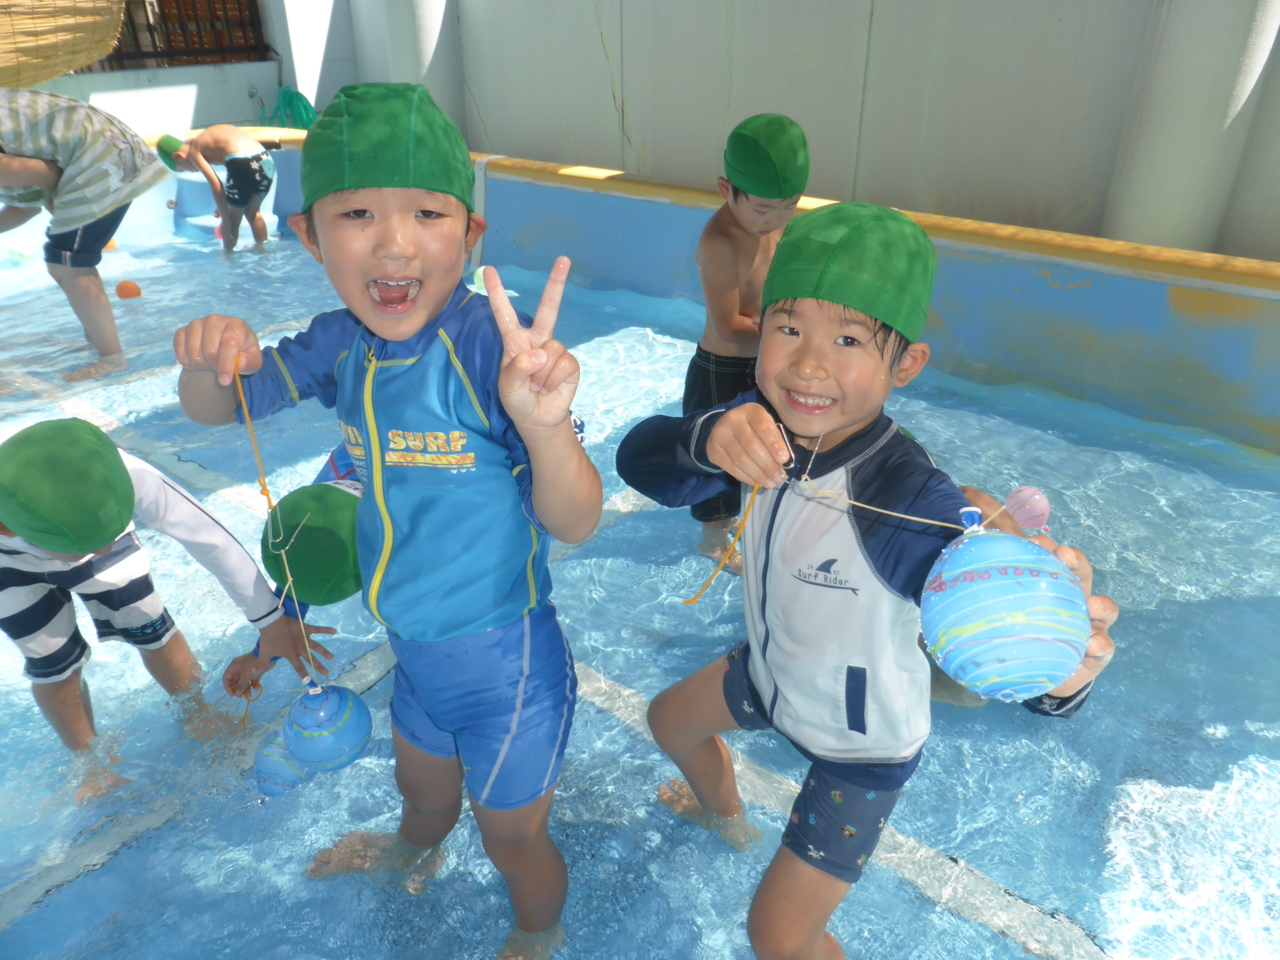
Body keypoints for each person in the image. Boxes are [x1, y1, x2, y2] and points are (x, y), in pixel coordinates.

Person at [616, 203, 1119, 960]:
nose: (808, 365)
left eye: (848, 340)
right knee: (669, 721)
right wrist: (706, 438)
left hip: (860, 746)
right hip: (772, 675)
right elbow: (640, 464)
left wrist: (1063, 672)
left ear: (905, 365)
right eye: (789, 328)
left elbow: (1000, 642)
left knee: (778, 936)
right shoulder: (761, 426)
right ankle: (725, 815)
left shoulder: (908, 500)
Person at [171, 83, 602, 960]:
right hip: (416, 656)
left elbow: (577, 520)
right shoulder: (342, 344)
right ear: (309, 236)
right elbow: (224, 407)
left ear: (470, 235)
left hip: (509, 666)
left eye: (427, 214)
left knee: (512, 840)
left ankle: (539, 933)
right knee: (424, 798)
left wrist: (547, 428)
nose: (395, 242)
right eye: (358, 213)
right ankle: (412, 851)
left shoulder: (490, 351)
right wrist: (208, 359)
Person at [0, 418, 331, 802]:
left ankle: (196, 711)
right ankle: (90, 761)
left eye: (111, 533)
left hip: (70, 517)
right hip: (8, 566)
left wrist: (271, 621)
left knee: (151, 627)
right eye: (92, 544)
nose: (107, 548)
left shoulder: (115, 471)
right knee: (51, 661)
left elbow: (209, 537)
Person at [688, 113, 809, 573]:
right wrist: (789, 339)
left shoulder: (775, 225)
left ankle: (763, 526)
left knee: (772, 452)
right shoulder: (719, 240)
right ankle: (713, 539)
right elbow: (726, 327)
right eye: (761, 209)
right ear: (726, 189)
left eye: (789, 206)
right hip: (723, 370)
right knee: (719, 463)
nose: (774, 220)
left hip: (766, 362)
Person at [0, 89, 168, 382]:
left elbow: (49, 178)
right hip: (108, 146)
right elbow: (27, 206)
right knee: (72, 259)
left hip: (97, 156)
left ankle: (111, 359)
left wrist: (63, 209)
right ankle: (98, 341)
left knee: (66, 263)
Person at [157, 125, 275, 251]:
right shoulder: (208, 139)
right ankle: (263, 251)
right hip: (265, 159)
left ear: (178, 156)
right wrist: (225, 202)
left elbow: (216, 184)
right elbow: (238, 177)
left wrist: (225, 218)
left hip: (241, 162)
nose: (193, 171)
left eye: (182, 169)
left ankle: (228, 256)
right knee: (253, 212)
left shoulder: (194, 151)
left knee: (232, 221)